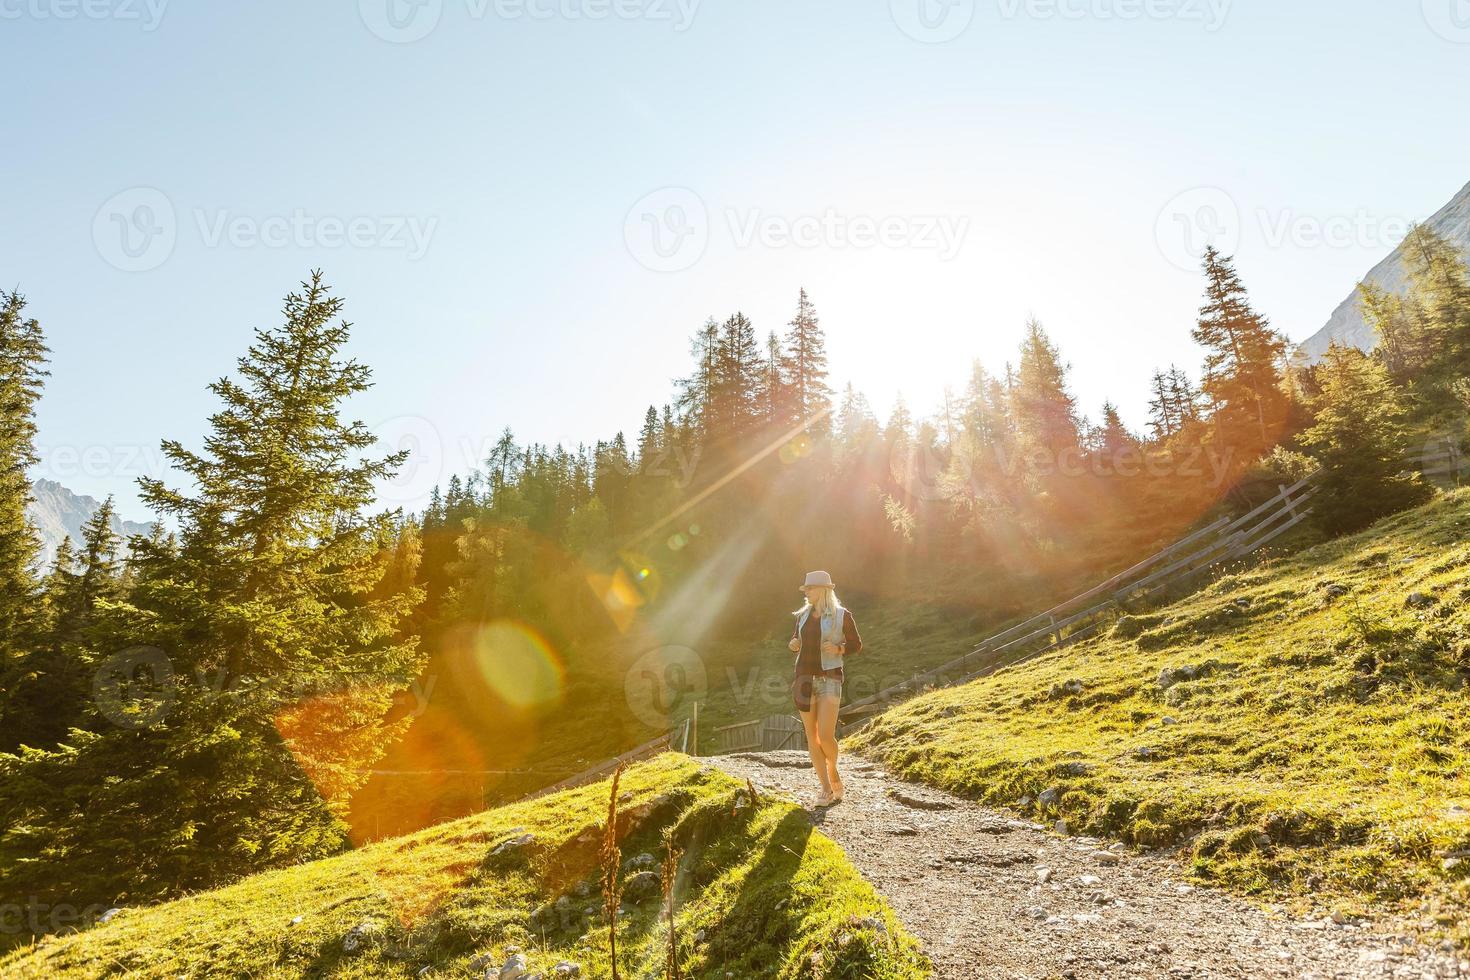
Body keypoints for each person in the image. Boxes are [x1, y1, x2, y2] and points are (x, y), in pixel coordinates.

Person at [788, 570, 862, 807]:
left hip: (830, 678)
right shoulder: (801, 616)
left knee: (826, 735)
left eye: (810, 588)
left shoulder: (842, 615)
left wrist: (840, 648)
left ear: (823, 590)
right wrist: (793, 644)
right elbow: (795, 641)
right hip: (803, 680)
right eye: (806, 589)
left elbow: (856, 644)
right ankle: (825, 789)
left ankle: (833, 771)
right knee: (811, 736)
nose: (806, 592)